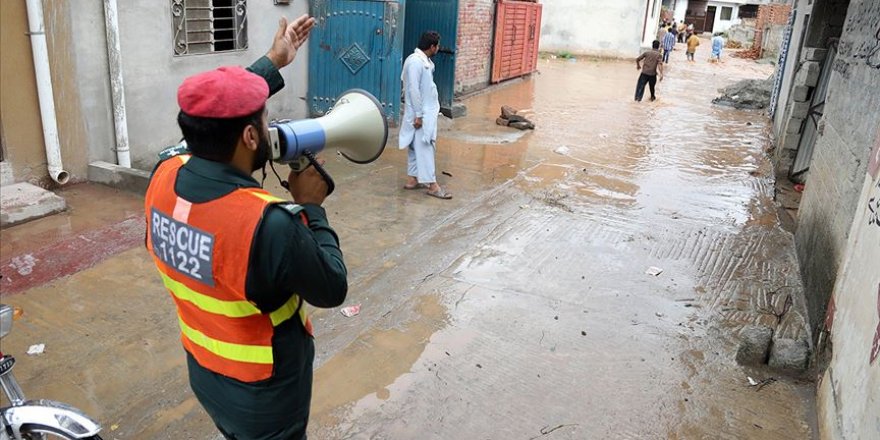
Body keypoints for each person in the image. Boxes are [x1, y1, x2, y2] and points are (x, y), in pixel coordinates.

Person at [144, 14, 349, 440]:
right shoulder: (267, 222)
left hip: (206, 374)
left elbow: (210, 125)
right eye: (264, 118)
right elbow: (332, 288)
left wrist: (275, 61)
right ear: (251, 138)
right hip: (267, 397)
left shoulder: (164, 173)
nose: (268, 125)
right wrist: (311, 207)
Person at [399, 31, 451, 199]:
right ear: (432, 47)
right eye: (437, 46)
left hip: (423, 111)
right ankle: (433, 185)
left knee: (415, 145)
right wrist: (419, 115)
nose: (438, 49)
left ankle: (413, 179)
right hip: (420, 113)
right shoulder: (415, 62)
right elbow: (412, 89)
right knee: (425, 145)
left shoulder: (424, 61)